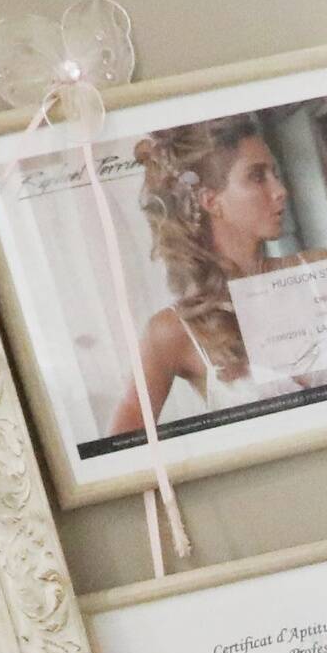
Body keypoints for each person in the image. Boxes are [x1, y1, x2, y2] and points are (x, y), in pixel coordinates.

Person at [104, 120, 297, 439]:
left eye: (275, 174)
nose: (280, 191)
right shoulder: (173, 332)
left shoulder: (315, 268)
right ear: (211, 201)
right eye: (257, 176)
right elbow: (117, 450)